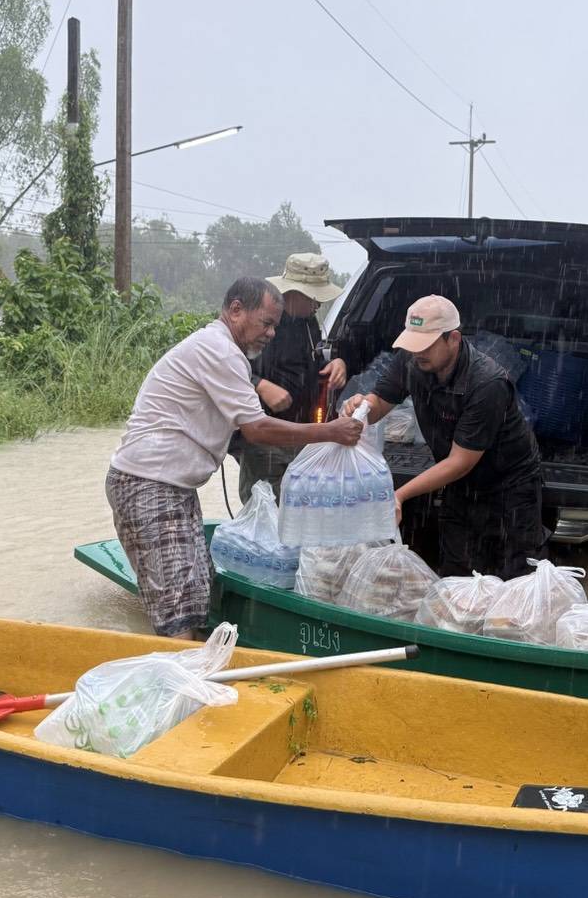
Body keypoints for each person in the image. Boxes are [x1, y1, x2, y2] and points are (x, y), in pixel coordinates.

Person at [107, 277, 363, 639]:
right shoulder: (220, 350)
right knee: (178, 613)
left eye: (275, 325)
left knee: (195, 597)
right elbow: (256, 428)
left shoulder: (230, 352)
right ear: (236, 310)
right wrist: (328, 432)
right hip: (149, 484)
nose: (272, 333)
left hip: (174, 487)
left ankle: (196, 672)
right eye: (266, 323)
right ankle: (185, 684)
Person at [340, 295, 546, 579]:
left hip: (509, 487)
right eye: (412, 345)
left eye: (425, 345)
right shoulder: (413, 361)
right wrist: (361, 406)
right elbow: (381, 402)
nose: (417, 353)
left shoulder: (487, 383)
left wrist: (399, 494)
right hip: (460, 486)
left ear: (454, 339)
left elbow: (460, 461)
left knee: (514, 577)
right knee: (457, 572)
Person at [233, 252, 350, 504]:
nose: (318, 305)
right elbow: (225, 367)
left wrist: (335, 364)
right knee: (263, 513)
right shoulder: (261, 323)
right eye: (313, 298)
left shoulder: (308, 322)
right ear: (293, 293)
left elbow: (312, 360)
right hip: (265, 436)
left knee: (296, 511)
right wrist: (260, 385)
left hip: (300, 435)